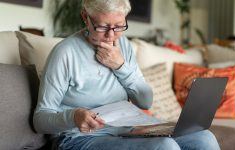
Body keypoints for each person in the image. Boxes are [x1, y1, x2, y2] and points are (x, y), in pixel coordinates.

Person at [33, 0, 221, 149]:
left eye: (119, 26)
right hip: (78, 139)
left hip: (126, 130)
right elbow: (40, 119)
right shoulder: (65, 53)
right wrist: (73, 116)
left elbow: (145, 101)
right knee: (164, 146)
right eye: (102, 27)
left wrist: (120, 66)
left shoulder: (124, 47)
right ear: (85, 17)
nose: (111, 36)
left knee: (204, 138)